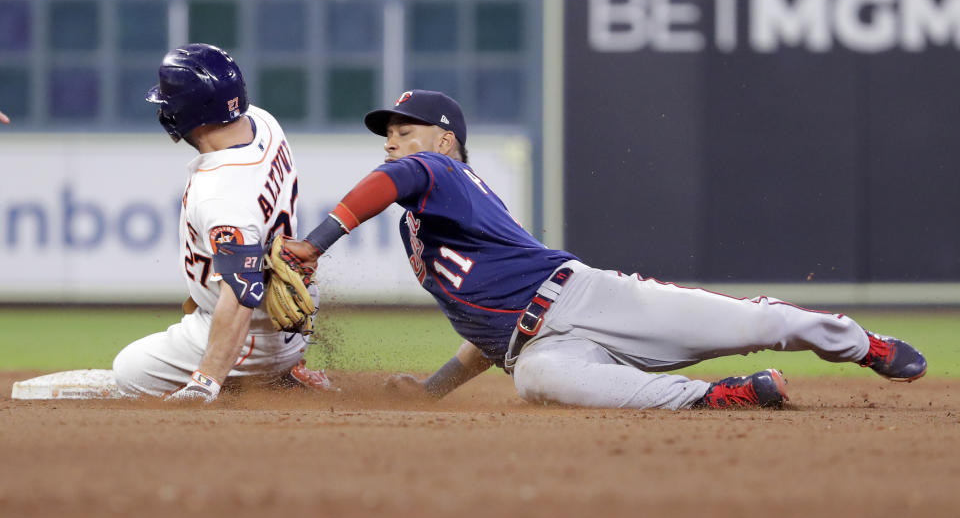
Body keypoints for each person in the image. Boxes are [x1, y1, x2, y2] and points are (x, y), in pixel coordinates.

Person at [281, 89, 926, 410]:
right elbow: (486, 333)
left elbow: (393, 180)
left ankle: (862, 345)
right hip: (536, 343)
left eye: (406, 130)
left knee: (754, 322)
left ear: (445, 142)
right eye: (387, 133)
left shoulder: (440, 175)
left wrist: (315, 243)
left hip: (586, 296)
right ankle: (720, 399)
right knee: (535, 381)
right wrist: (433, 389)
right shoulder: (422, 224)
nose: (392, 141)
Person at [112, 43, 334, 402]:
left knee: (128, 372)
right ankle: (286, 367)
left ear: (186, 112)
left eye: (168, 103)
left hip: (252, 337)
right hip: (294, 323)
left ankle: (253, 382)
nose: (164, 110)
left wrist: (206, 379)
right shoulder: (264, 124)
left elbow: (243, 292)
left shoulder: (221, 193)